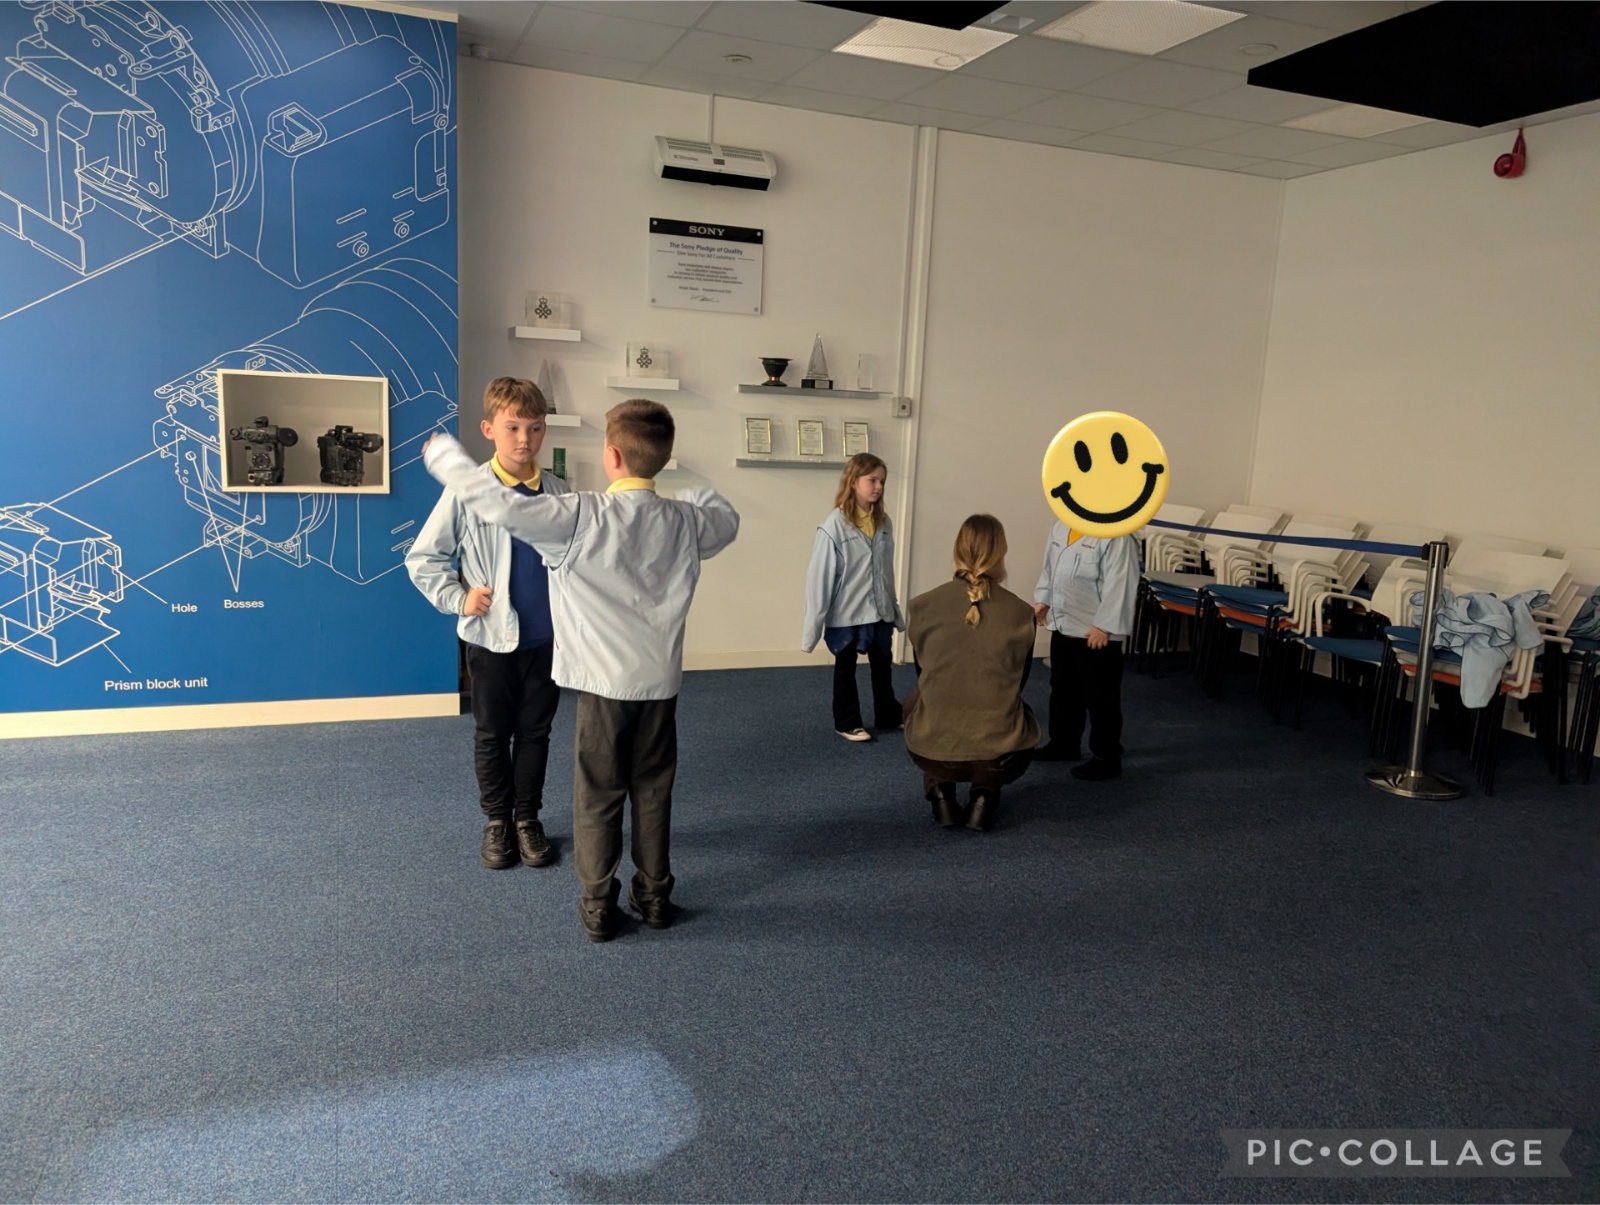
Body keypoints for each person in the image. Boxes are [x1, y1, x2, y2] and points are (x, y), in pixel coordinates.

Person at [421, 400, 739, 943]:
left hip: (603, 688)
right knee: (653, 792)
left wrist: (445, 458)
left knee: (598, 795)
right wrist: (689, 488)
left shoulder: (579, 514)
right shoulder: (687, 521)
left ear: (610, 455)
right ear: (662, 458)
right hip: (661, 687)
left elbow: (498, 505)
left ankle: (598, 905)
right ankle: (655, 897)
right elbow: (726, 520)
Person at [406, 376, 570, 871]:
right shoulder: (468, 490)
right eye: (513, 427)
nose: (525, 439)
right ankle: (498, 820)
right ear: (489, 429)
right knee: (493, 733)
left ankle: (527, 818)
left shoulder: (560, 493)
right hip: (491, 640)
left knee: (536, 733)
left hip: (547, 641)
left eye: (535, 428)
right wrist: (458, 598)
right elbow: (423, 558)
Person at [903, 515, 1039, 831]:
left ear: (956, 551)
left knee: (918, 701)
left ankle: (940, 791)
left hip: (933, 754)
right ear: (1001, 553)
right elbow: (1019, 682)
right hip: (998, 758)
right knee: (1018, 708)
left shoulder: (922, 606)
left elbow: (924, 673)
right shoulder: (1022, 613)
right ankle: (984, 796)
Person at [801, 453, 905, 742]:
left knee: (882, 665)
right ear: (853, 481)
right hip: (847, 612)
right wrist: (811, 631)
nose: (879, 487)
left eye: (882, 481)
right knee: (845, 668)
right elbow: (819, 580)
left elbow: (885, 571)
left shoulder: (884, 522)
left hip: (879, 610)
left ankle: (888, 714)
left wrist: (894, 609)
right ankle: (847, 722)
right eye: (872, 480)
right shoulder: (833, 527)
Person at [1032, 522, 1140, 780]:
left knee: (1101, 698)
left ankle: (1106, 757)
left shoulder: (1117, 535)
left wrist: (1105, 625)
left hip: (1096, 633)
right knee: (1063, 689)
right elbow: (1051, 568)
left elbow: (1121, 582)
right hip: (1064, 624)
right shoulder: (1060, 526)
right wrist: (1043, 601)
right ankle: (1064, 744)